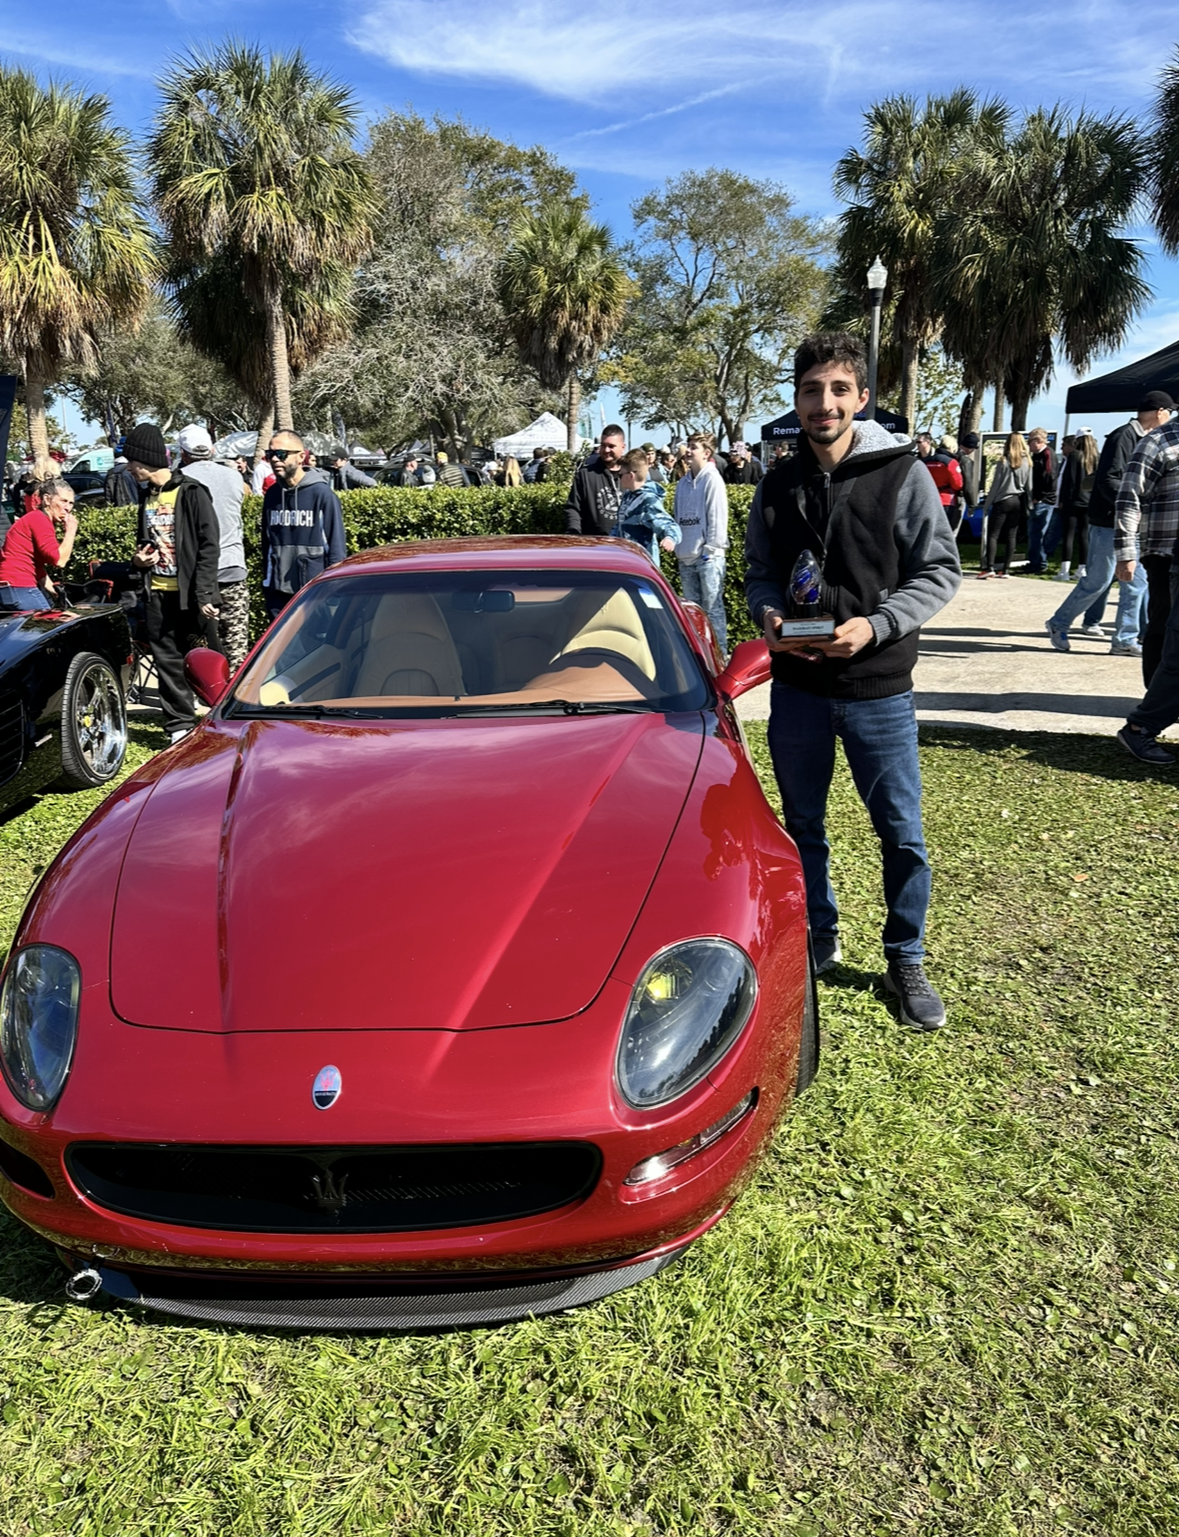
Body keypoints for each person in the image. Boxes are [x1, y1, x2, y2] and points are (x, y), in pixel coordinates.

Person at [746, 333, 960, 1027]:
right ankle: (819, 931)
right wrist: (768, 613)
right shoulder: (776, 484)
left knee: (900, 832)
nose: (825, 403)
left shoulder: (902, 473)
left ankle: (905, 957)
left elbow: (939, 570)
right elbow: (759, 573)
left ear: (861, 398)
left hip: (878, 689)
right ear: (796, 400)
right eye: (812, 390)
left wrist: (875, 626)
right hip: (798, 689)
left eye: (839, 389)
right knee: (802, 825)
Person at [124, 421, 222, 745]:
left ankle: (222, 718)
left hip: (192, 597)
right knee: (166, 661)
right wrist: (139, 560)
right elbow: (145, 541)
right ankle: (179, 726)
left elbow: (209, 545)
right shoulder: (146, 496)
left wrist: (205, 593)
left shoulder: (192, 492)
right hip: (157, 594)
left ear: (145, 460)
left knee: (206, 660)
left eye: (131, 461)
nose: (128, 468)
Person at [175, 425, 250, 672]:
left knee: (199, 645)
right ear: (212, 449)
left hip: (197, 576)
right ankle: (238, 688)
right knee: (236, 644)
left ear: (183, 453)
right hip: (232, 567)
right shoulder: (234, 476)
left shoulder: (179, 481)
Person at [1116, 411, 1179, 686]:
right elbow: (1129, 497)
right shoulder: (1158, 441)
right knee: (1164, 627)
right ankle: (1155, 696)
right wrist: (1126, 553)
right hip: (1165, 553)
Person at [260, 431, 347, 621]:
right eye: (270, 454)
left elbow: (336, 549)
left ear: (301, 457)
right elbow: (267, 545)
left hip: (314, 596)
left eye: (281, 454)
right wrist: (268, 587)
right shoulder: (272, 495)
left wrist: (331, 593)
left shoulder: (322, 495)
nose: (274, 459)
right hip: (277, 597)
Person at [674, 432, 729, 651]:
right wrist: (679, 548)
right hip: (686, 557)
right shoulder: (682, 484)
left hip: (708, 558)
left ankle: (720, 655)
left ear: (706, 453)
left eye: (693, 447)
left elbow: (717, 517)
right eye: (688, 445)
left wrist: (710, 549)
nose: (688, 451)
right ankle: (698, 656)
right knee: (693, 612)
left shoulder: (712, 479)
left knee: (713, 609)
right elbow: (678, 517)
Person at [0, 477, 78, 608]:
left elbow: (37, 569)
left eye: (71, 503)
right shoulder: (40, 520)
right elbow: (59, 560)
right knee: (47, 620)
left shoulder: (35, 518)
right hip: (19, 585)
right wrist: (70, 531)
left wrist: (55, 592)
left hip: (8, 588)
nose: (68, 508)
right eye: (63, 501)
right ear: (47, 499)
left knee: (47, 618)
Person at [610, 449, 681, 563]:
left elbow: (669, 525)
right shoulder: (628, 496)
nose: (618, 477)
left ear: (631, 476)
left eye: (620, 474)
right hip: (627, 561)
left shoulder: (647, 501)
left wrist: (670, 538)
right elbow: (620, 525)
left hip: (643, 563)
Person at [979, 433, 1031, 578]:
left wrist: (987, 504)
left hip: (1002, 500)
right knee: (1011, 536)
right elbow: (1029, 485)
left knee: (993, 534)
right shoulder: (1027, 462)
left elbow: (995, 485)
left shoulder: (1004, 461)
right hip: (1017, 500)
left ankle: (989, 567)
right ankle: (1006, 569)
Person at [564, 425, 627, 535]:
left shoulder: (631, 475)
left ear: (623, 447)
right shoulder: (585, 475)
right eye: (603, 445)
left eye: (611, 446)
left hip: (625, 542)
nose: (606, 450)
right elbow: (573, 508)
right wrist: (574, 533)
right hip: (593, 542)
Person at [1054, 433, 1097, 582]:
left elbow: (1070, 479)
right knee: (1084, 536)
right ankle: (1082, 569)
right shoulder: (1095, 457)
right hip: (1088, 501)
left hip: (1073, 501)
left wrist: (1063, 499)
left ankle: (1064, 570)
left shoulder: (1075, 456)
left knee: (1069, 535)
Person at [1025, 429, 1057, 574]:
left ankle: (1039, 562)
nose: (1028, 445)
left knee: (1037, 531)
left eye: (1030, 442)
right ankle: (1035, 560)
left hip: (1043, 500)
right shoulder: (1038, 455)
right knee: (1034, 532)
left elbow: (1049, 477)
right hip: (1039, 498)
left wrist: (1039, 496)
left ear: (1038, 441)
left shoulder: (1047, 454)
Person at [924, 435, 964, 529]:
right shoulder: (951, 462)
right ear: (952, 447)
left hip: (928, 499)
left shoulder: (926, 461)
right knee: (944, 529)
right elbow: (957, 485)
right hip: (946, 500)